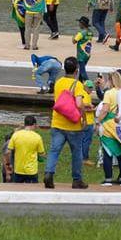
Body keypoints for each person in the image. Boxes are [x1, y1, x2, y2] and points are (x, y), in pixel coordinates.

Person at [44, 57, 91, 189]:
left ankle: (49, 173)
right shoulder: (78, 85)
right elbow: (78, 103)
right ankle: (77, 180)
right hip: (73, 126)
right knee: (76, 152)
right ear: (77, 70)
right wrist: (84, 117)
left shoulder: (58, 82)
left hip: (57, 122)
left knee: (54, 150)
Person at [2, 115, 46, 183]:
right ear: (34, 124)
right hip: (32, 171)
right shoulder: (37, 137)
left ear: (25, 124)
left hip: (18, 170)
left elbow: (7, 152)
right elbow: (42, 154)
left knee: (17, 191)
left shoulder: (16, 135)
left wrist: (8, 165)